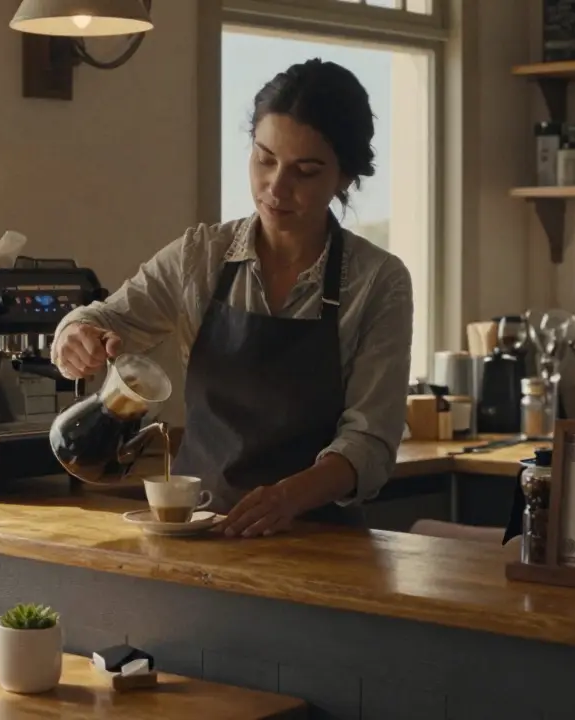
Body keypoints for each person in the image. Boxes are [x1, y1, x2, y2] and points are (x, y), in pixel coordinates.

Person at [52, 60, 413, 537]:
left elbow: (370, 441)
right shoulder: (200, 257)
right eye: (265, 159)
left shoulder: (378, 281)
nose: (276, 188)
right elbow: (103, 317)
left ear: (345, 176)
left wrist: (291, 496)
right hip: (198, 528)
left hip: (319, 540)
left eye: (304, 172)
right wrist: (74, 336)